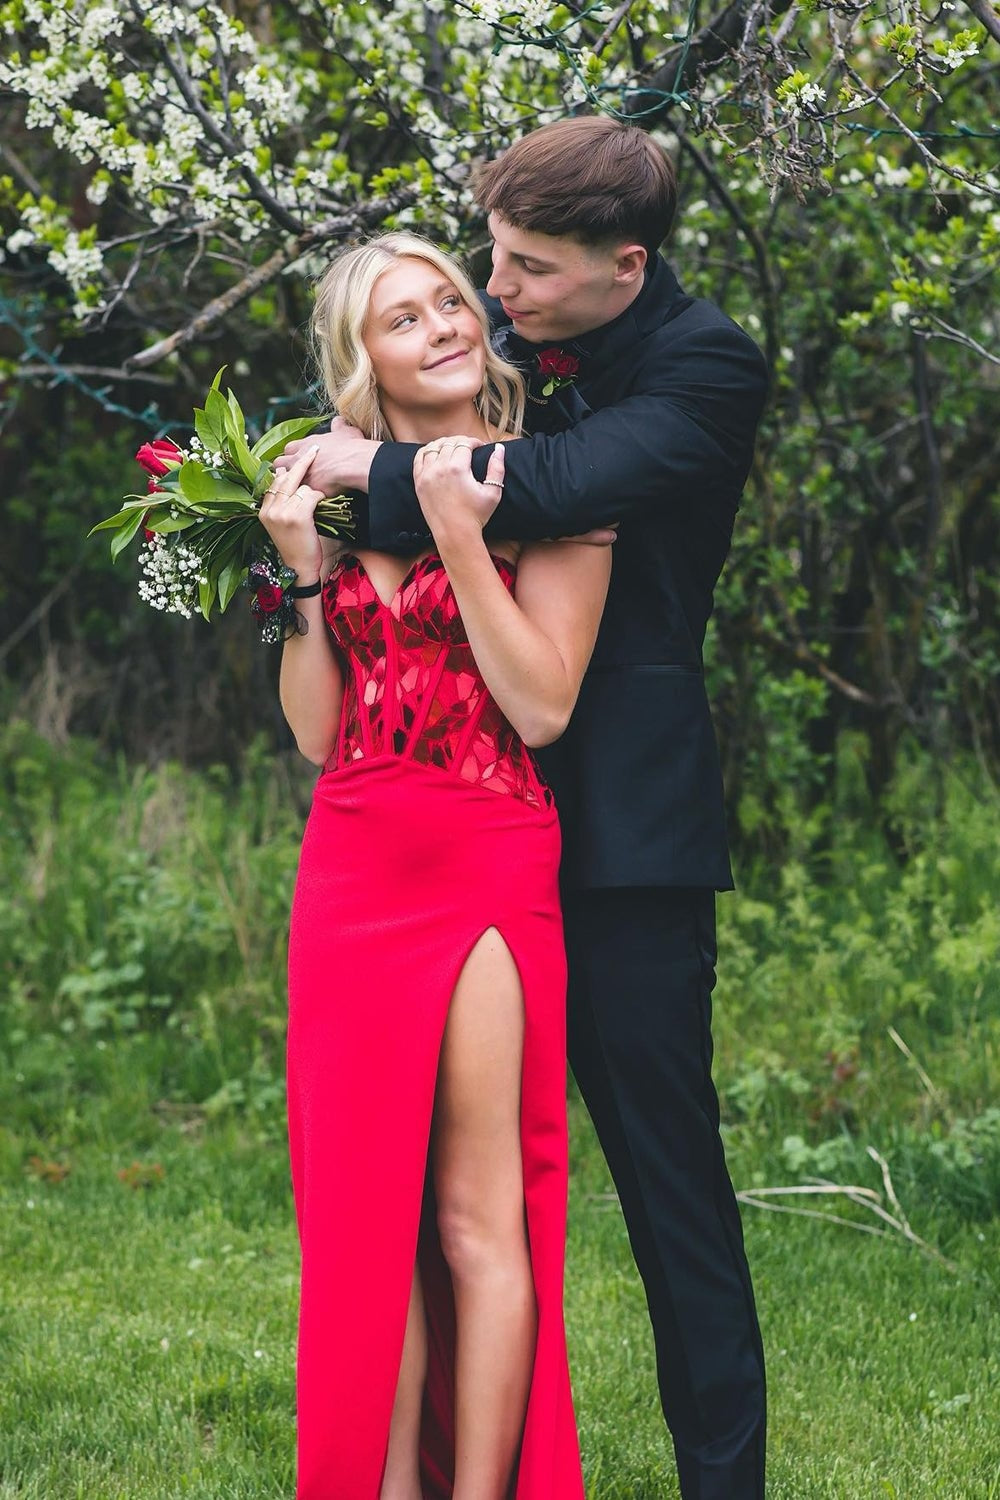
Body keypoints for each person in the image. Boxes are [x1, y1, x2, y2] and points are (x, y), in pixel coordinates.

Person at [283, 116, 770, 1500]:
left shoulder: (701, 369)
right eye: (482, 264)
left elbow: (545, 489)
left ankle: (723, 1485)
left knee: (664, 1191)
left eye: (524, 275)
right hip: (425, 828)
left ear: (624, 269)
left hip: (613, 828)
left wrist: (352, 474)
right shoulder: (511, 354)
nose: (494, 300)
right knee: (417, 1191)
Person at [261, 231, 610, 1500]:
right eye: (404, 320)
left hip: (485, 853)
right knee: (367, 1228)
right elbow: (313, 732)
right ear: (367, 363)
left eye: (450, 302)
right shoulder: (327, 497)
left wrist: (464, 534)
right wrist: (302, 580)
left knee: (475, 1213)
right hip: (351, 862)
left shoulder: (561, 482)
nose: (447, 327)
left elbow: (544, 707)